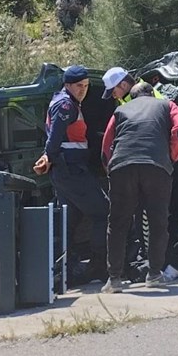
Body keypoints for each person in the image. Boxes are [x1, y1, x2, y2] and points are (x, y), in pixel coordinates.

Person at [99, 82, 178, 292]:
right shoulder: (167, 105)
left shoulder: (119, 110)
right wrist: (171, 157)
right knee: (158, 222)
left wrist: (110, 167)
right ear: (151, 93)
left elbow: (106, 145)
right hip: (156, 167)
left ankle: (114, 280)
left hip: (122, 167)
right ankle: (155, 275)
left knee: (118, 224)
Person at [33, 66, 108, 285]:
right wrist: (47, 156)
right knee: (103, 212)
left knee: (70, 221)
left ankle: (65, 270)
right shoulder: (66, 104)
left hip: (68, 170)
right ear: (68, 85)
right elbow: (55, 136)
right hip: (71, 169)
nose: (83, 90)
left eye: (86, 86)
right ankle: (98, 267)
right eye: (78, 86)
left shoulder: (66, 101)